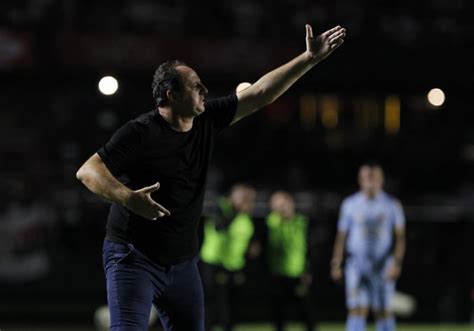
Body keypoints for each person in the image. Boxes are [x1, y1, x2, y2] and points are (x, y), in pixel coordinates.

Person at [76, 24, 346, 331]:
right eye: (195, 86)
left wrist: (309, 58)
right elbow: (88, 170)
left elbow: (260, 92)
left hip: (182, 263)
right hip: (134, 257)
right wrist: (127, 198)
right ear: (171, 95)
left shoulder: (206, 121)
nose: (204, 91)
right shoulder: (140, 132)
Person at [330, 164, 406, 331]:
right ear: (360, 180)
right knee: (357, 309)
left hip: (382, 265)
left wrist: (397, 262)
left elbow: (400, 237)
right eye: (367, 177)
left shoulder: (392, 204)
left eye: (375, 177)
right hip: (356, 264)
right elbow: (342, 236)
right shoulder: (350, 204)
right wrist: (336, 262)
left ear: (381, 180)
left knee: (383, 310)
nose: (371, 181)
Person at [200, 183, 259, 331]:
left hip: (234, 264)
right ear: (232, 195)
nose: (245, 200)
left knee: (232, 304)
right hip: (213, 262)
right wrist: (238, 211)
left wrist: (252, 246)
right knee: (213, 302)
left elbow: (245, 235)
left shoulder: (245, 215)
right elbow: (220, 226)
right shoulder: (220, 206)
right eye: (242, 196)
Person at [266, 191, 314, 331]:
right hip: (277, 275)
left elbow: (309, 248)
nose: (281, 208)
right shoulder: (269, 223)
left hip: (298, 274)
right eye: (277, 205)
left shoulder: (302, 222)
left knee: (307, 314)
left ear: (291, 204)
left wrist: (308, 270)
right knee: (279, 316)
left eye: (283, 204)